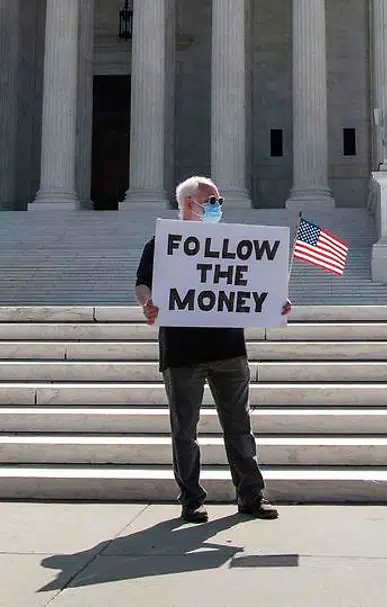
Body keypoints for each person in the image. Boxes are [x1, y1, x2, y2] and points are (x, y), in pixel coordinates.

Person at [134, 175, 289, 523]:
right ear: (190, 203)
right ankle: (191, 499)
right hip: (182, 351)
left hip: (229, 348)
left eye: (219, 201)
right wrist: (147, 304)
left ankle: (251, 494)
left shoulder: (233, 244)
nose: (218, 206)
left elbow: (255, 284)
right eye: (212, 201)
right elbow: (142, 284)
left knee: (240, 427)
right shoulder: (161, 244)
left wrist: (274, 301)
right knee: (184, 431)